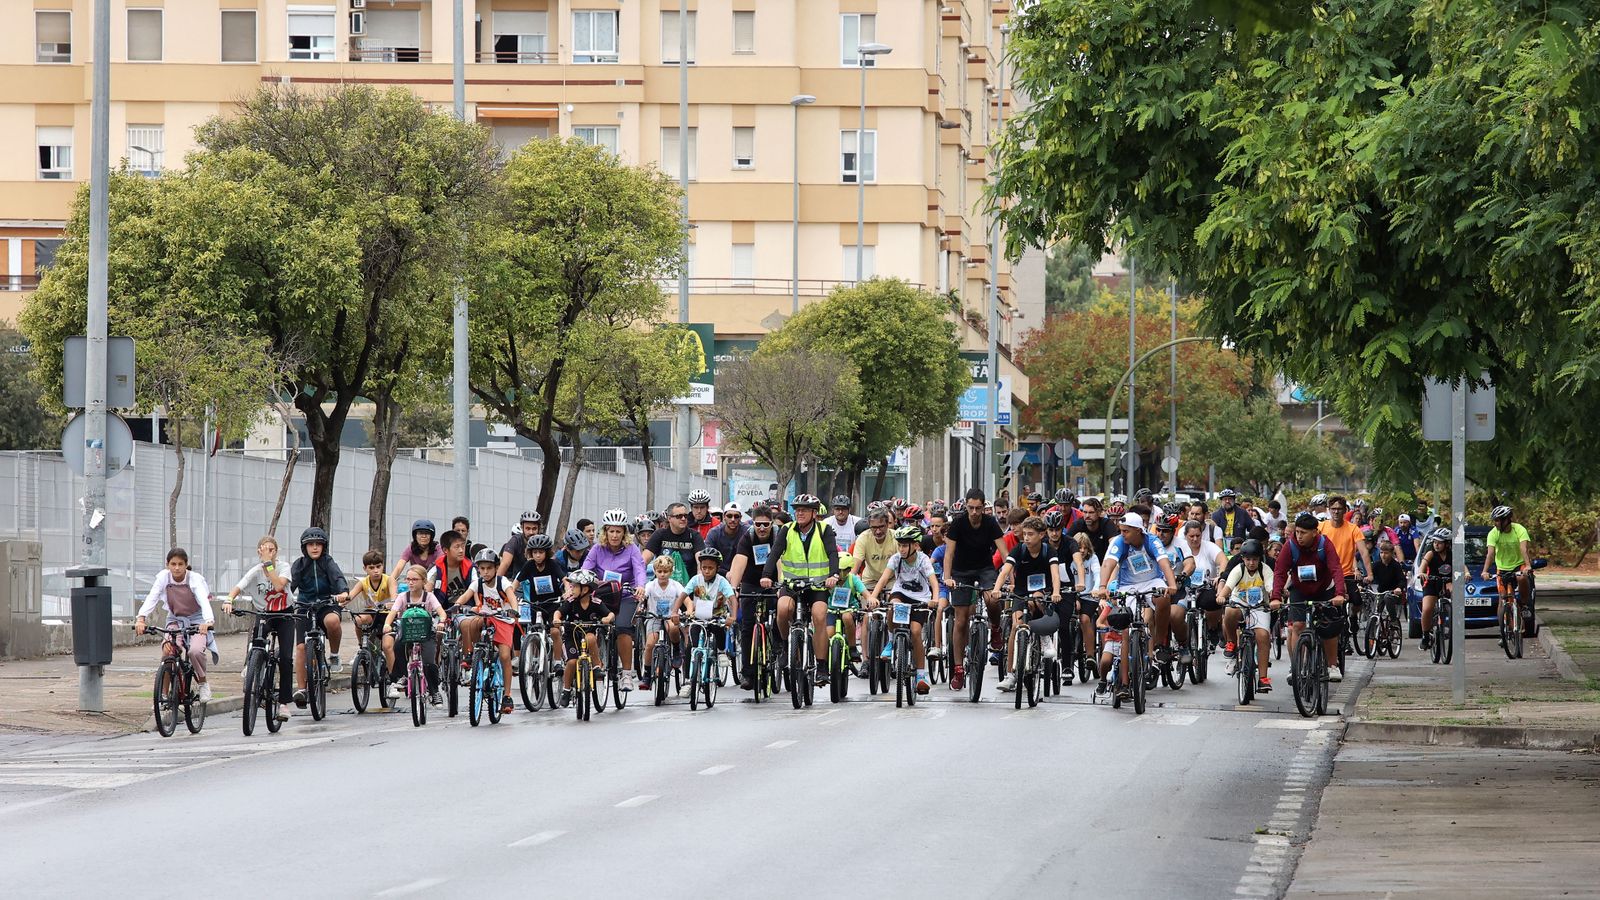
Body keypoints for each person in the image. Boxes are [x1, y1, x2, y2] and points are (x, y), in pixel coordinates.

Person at [759, 494, 840, 687]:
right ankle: (786, 645)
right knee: (783, 608)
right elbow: (775, 553)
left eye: (804, 509)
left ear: (814, 513)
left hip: (817, 585)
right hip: (792, 584)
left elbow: (832, 554)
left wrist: (834, 575)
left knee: (819, 616)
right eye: (797, 509)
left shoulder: (824, 529)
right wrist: (766, 575)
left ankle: (821, 667)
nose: (800, 513)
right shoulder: (786, 530)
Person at [942, 488, 1010, 692]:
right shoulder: (958, 524)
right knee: (961, 620)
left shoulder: (990, 523)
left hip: (985, 569)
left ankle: (995, 628)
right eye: (970, 508)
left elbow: (1005, 554)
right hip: (961, 570)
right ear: (966, 506)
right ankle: (958, 668)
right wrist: (947, 578)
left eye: (978, 508)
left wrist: (1011, 579)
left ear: (983, 507)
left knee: (992, 599)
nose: (974, 512)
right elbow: (949, 554)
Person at [1094, 512, 1179, 665]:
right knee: (1127, 619)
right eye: (1121, 530)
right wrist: (1102, 586)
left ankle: (1159, 645)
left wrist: (1171, 585)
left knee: (1164, 598)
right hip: (1128, 585)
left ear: (1138, 530)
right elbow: (1108, 563)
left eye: (1126, 531)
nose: (1122, 534)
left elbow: (1164, 562)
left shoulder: (1152, 541)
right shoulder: (1120, 542)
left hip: (1153, 581)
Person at [1271, 512, 1348, 682]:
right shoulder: (1290, 546)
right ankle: (1296, 666)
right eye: (1297, 532)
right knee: (1297, 625)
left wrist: (1340, 594)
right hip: (1300, 589)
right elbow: (1280, 572)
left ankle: (1332, 665)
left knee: (1328, 627)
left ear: (1315, 532)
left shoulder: (1324, 544)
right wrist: (1275, 597)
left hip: (1325, 589)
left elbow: (1336, 569)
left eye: (1303, 533)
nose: (1299, 536)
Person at [224, 535, 292, 719]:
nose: (268, 552)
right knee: (258, 641)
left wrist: (268, 564)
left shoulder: (284, 567)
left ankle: (284, 703)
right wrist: (229, 600)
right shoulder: (255, 571)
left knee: (286, 657)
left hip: (285, 613)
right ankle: (253, 664)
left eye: (272, 549)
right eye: (264, 549)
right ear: (258, 552)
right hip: (265, 612)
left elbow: (279, 587)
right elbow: (239, 586)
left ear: (276, 552)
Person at [136, 548, 217, 702]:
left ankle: (203, 682)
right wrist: (141, 618)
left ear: (186, 565)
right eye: (173, 564)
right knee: (167, 651)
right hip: (175, 618)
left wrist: (208, 622)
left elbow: (203, 600)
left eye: (181, 564)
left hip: (198, 620)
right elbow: (152, 597)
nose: (177, 568)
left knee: (194, 651)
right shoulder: (163, 578)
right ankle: (163, 695)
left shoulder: (194, 579)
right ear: (167, 565)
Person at [991, 516, 1061, 693]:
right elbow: (1005, 570)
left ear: (1041, 534)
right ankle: (1010, 675)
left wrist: (1055, 592)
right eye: (1025, 534)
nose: (1027, 538)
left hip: (1043, 592)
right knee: (1016, 626)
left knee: (1037, 597)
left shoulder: (1048, 551)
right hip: (1021, 593)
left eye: (1031, 534)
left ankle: (1045, 638)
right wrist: (997, 589)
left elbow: (1055, 575)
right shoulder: (1019, 550)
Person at [865, 524, 937, 694]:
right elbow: (883, 580)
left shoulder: (923, 560)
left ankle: (920, 675)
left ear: (916, 546)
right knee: (893, 605)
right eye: (900, 545)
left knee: (916, 631)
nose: (902, 549)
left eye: (905, 545)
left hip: (920, 599)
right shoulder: (896, 559)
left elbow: (933, 581)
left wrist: (934, 599)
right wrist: (873, 597)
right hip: (901, 593)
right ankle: (891, 641)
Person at [583, 509, 648, 693]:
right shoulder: (596, 549)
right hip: (602, 596)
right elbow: (586, 569)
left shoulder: (632, 549)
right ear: (605, 532)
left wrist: (641, 586)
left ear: (624, 533)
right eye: (611, 531)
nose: (614, 535)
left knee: (622, 628)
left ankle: (627, 674)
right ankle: (597, 665)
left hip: (626, 595)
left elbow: (639, 570)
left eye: (618, 531)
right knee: (590, 626)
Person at [288, 527, 349, 705]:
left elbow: (338, 578)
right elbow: (290, 586)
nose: (314, 548)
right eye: (310, 545)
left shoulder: (328, 562)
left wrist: (343, 592)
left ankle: (335, 655)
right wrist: (285, 599)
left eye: (318, 544)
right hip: (305, 606)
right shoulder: (299, 565)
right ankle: (301, 690)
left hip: (326, 603)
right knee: (300, 648)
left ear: (324, 546)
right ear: (304, 547)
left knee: (333, 621)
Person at [729, 505, 780, 689]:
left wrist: (780, 586)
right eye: (758, 524)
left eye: (766, 524)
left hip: (774, 580)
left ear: (771, 523)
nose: (762, 528)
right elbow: (740, 562)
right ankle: (748, 673)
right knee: (748, 625)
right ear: (753, 523)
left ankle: (777, 646)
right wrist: (734, 588)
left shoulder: (778, 535)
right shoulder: (747, 537)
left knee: (779, 613)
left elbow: (781, 561)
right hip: (751, 581)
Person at [382, 565, 445, 705]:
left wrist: (441, 621)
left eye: (415, 579)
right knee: (398, 646)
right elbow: (392, 613)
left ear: (423, 581)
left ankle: (434, 691)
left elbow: (441, 612)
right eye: (408, 579)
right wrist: (387, 624)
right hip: (408, 632)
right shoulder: (402, 597)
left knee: (429, 662)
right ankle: (401, 677)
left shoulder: (429, 597)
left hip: (426, 633)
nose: (410, 582)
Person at [1218, 539, 1274, 692]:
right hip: (1239, 604)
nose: (1251, 563)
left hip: (1259, 607)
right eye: (1248, 559)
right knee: (1229, 612)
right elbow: (1228, 587)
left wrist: (1275, 598)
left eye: (1254, 559)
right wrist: (1222, 596)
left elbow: (1271, 588)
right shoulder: (1238, 570)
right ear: (1243, 559)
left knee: (1263, 636)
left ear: (1259, 559)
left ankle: (1263, 678)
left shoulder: (1265, 570)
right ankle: (1231, 641)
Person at [553, 569, 613, 707]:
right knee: (572, 662)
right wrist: (556, 619)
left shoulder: (596, 602)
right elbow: (559, 612)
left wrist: (607, 618)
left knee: (591, 637)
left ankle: (597, 666)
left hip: (588, 636)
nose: (571, 589)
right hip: (571, 636)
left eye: (574, 586)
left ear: (585, 589)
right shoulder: (571, 601)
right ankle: (566, 690)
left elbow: (610, 614)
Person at [678, 548, 736, 682]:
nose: (707, 571)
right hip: (699, 616)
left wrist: (732, 616)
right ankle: (687, 680)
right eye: (704, 568)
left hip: (717, 616)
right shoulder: (695, 580)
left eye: (710, 568)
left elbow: (732, 598)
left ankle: (721, 651)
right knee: (691, 646)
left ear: (717, 568)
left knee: (719, 629)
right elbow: (683, 595)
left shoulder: (721, 581)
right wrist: (675, 611)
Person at [1319, 496, 1372, 627]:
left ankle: (1353, 616)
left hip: (1347, 574)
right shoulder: (1321, 527)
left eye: (1339, 509)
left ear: (1344, 511)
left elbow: (1364, 552)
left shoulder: (1353, 528)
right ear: (1329, 510)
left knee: (1357, 601)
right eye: (1333, 509)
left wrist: (1369, 574)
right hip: (1327, 574)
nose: (1336, 512)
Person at [1484, 505, 1534, 642]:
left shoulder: (1519, 529)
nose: (1496, 523)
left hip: (1519, 564)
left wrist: (1528, 566)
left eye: (1498, 520)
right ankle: (1503, 631)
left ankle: (1524, 605)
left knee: (1522, 577)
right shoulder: (1493, 533)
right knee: (1502, 599)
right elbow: (1490, 554)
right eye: (1495, 521)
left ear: (1507, 520)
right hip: (1502, 568)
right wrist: (1485, 571)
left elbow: (1524, 549)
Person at [642, 555, 684, 690]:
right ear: (654, 571)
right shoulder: (650, 585)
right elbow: (643, 596)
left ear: (671, 572)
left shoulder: (675, 585)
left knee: (673, 628)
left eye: (666, 571)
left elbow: (686, 599)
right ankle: (647, 673)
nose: (662, 574)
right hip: (654, 617)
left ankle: (676, 649)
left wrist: (688, 610)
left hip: (670, 617)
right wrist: (639, 606)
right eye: (659, 571)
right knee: (649, 644)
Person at [345, 549, 396, 652]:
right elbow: (350, 596)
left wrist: (393, 602)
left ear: (383, 566)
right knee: (359, 619)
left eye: (378, 566)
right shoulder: (363, 582)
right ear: (365, 569)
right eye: (371, 568)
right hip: (371, 613)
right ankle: (362, 648)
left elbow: (394, 596)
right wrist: (340, 603)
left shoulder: (389, 580)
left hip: (386, 613)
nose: (376, 570)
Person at [644, 501, 705, 586]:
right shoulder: (660, 534)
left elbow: (701, 562)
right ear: (669, 519)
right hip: (662, 587)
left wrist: (699, 585)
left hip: (688, 587)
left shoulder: (694, 536)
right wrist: (640, 583)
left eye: (685, 516)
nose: (683, 519)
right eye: (679, 516)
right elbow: (643, 560)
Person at [1418, 527, 1454, 651]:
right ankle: (1425, 635)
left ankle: (1453, 621)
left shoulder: (1452, 555)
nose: (1436, 544)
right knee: (1427, 609)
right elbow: (1422, 566)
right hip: (1432, 583)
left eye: (1439, 542)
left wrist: (1466, 574)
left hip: (1447, 581)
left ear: (1447, 543)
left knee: (1455, 593)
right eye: (1434, 542)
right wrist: (1422, 573)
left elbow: (1462, 566)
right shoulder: (1431, 553)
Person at [391, 519, 441, 584]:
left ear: (431, 536)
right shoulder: (410, 549)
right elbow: (398, 568)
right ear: (415, 536)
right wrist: (391, 580)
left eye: (427, 533)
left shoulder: (438, 549)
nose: (423, 536)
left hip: (434, 581)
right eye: (420, 533)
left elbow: (441, 566)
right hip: (415, 582)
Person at [1068, 496, 1117, 561]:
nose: (1087, 515)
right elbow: (1066, 544)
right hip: (1082, 564)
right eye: (1085, 512)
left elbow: (1114, 545)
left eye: (1091, 512)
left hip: (1104, 563)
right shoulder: (1077, 525)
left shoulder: (1107, 524)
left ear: (1099, 513)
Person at [704, 502, 747, 576]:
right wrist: (726, 573)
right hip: (718, 574)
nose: (733, 519)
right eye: (729, 516)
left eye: (736, 516)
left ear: (741, 518)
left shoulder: (747, 532)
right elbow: (708, 557)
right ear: (724, 517)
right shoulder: (714, 533)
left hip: (743, 574)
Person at [499, 511, 543, 578]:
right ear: (522, 528)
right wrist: (497, 585)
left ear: (539, 529)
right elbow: (505, 563)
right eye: (527, 528)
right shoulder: (515, 540)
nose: (531, 532)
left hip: (539, 581)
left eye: (534, 529)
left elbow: (552, 563)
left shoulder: (544, 541)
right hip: (519, 583)